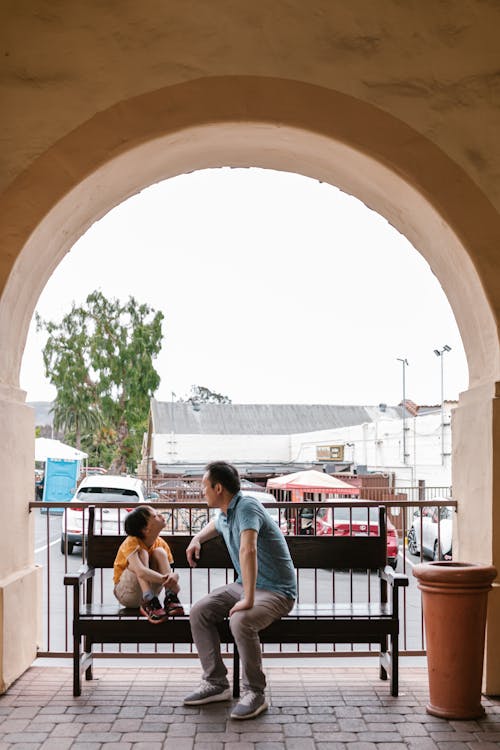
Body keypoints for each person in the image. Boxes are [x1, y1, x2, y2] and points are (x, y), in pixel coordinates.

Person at [184, 461, 296, 720]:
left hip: (277, 590)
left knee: (241, 620)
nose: (202, 491)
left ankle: (255, 692)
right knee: (199, 611)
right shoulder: (225, 512)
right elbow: (216, 525)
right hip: (245, 586)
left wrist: (248, 598)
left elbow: (249, 549)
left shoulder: (247, 507)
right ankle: (216, 683)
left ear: (219, 488)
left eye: (204, 486)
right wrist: (196, 538)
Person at [113, 505, 184, 624]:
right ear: (146, 529)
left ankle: (170, 596)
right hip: (127, 593)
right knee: (143, 553)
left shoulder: (161, 544)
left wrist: (171, 581)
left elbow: (165, 571)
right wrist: (168, 579)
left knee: (159, 552)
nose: (161, 515)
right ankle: (149, 601)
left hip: (152, 590)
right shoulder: (132, 542)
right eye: (155, 516)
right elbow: (140, 571)